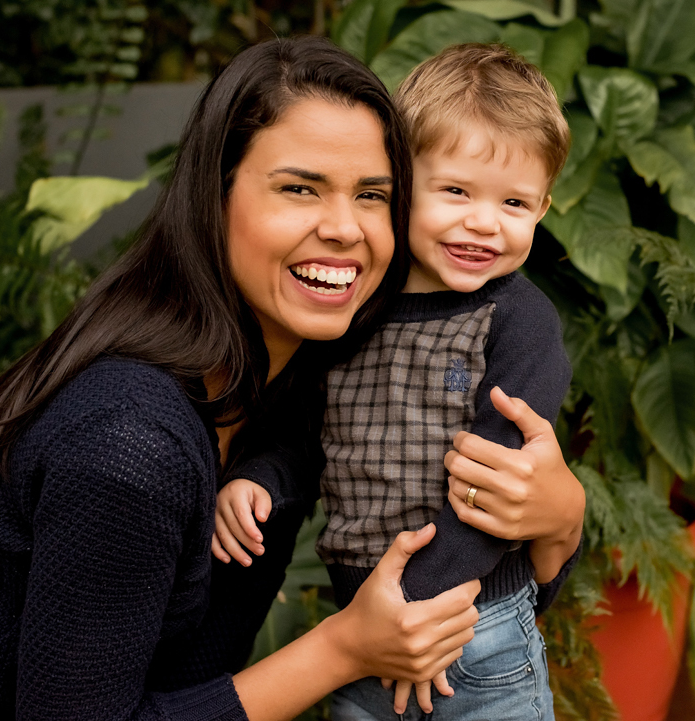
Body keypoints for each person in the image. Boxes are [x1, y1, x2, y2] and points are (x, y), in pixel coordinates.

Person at [0, 37, 581, 721]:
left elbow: (494, 620)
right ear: (213, 196)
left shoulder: (303, 378)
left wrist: (559, 527)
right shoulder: (128, 440)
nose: (344, 227)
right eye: (299, 187)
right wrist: (342, 648)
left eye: (373, 194)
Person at [212, 44, 580, 721]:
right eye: (457, 191)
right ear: (404, 181)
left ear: (545, 206)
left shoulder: (517, 321)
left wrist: (415, 615)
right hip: (363, 630)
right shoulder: (354, 307)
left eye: (515, 202)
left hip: (475, 632)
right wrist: (260, 477)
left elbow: (495, 486)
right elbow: (305, 432)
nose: (483, 221)